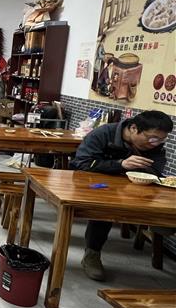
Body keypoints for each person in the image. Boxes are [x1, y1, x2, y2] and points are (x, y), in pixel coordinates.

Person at [70, 110, 172, 281]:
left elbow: (156, 170)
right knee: (105, 207)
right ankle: (92, 254)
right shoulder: (103, 134)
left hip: (134, 188)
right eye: (152, 138)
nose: (155, 144)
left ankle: (160, 222)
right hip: (96, 186)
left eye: (161, 140)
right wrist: (120, 164)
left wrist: (149, 172)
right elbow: (81, 163)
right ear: (133, 128)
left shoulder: (154, 146)